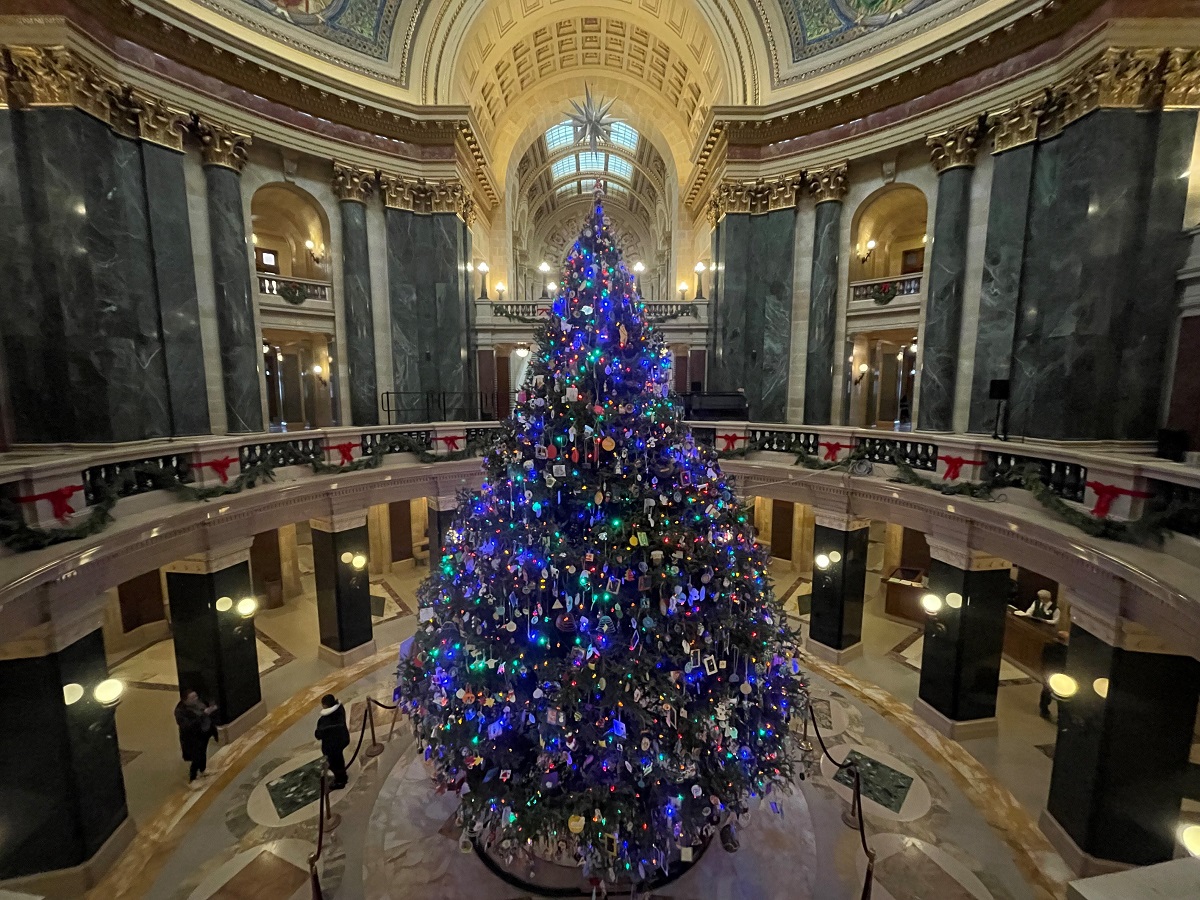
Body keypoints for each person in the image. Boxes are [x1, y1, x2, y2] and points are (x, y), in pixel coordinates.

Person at [174, 689, 218, 784]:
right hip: (192, 737)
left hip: (203, 733)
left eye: (196, 696)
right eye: (192, 698)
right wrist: (204, 714)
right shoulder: (180, 711)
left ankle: (203, 770)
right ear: (185, 700)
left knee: (203, 753)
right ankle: (192, 778)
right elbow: (188, 725)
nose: (196, 699)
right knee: (196, 757)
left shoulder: (199, 703)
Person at [315, 694, 351, 789]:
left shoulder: (324, 721)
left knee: (336, 762)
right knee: (339, 759)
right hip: (342, 739)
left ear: (325, 705)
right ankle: (341, 774)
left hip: (332, 746)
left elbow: (318, 734)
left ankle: (340, 781)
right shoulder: (340, 710)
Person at [1039, 632, 1069, 720]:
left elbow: (1043, 658)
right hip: (1060, 674)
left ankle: (1043, 709)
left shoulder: (1048, 646)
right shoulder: (1065, 651)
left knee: (1046, 691)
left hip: (1048, 672)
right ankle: (1060, 714)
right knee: (1061, 695)